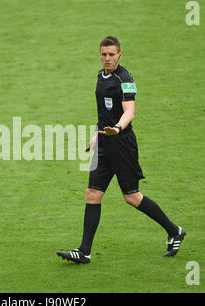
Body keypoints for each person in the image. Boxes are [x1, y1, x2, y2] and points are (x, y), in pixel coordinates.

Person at [57, 36, 186, 264]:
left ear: (119, 55)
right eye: (104, 54)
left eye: (111, 54)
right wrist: (96, 134)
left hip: (122, 143)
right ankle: (84, 251)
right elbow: (102, 112)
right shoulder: (100, 76)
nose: (107, 58)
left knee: (132, 197)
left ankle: (174, 230)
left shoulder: (125, 79)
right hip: (104, 142)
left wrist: (116, 128)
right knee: (92, 194)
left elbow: (130, 111)